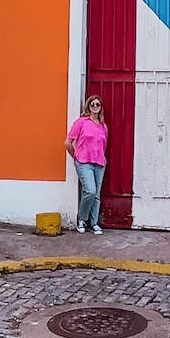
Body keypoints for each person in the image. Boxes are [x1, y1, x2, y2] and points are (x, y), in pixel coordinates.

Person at [66, 95, 107, 234]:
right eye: (92, 104)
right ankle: (82, 219)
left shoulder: (103, 126)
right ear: (88, 106)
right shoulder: (81, 122)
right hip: (84, 162)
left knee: (96, 195)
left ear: (101, 107)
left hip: (99, 163)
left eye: (98, 104)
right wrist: (76, 156)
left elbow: (103, 145)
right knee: (90, 190)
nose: (95, 106)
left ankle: (94, 223)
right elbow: (68, 142)